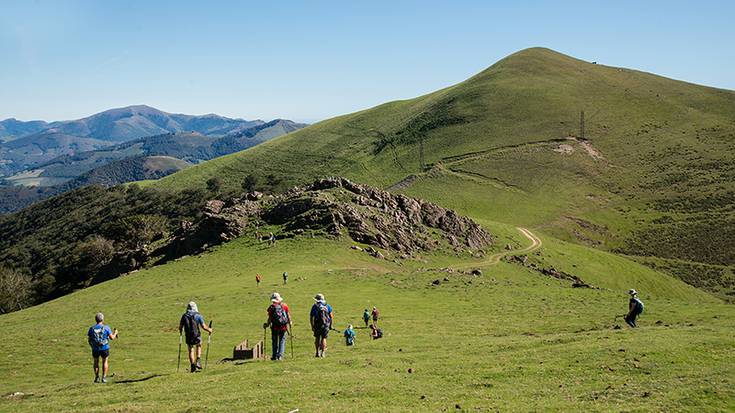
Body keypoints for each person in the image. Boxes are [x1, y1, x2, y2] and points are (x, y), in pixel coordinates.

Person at [179, 301, 213, 372]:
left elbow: (180, 327)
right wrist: (209, 330)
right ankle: (198, 360)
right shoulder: (198, 315)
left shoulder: (184, 316)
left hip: (188, 335)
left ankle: (192, 366)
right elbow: (203, 326)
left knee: (191, 350)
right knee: (199, 345)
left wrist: (181, 332)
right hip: (196, 335)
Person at [87, 312, 118, 383]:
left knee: (96, 362)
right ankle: (104, 378)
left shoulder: (91, 329)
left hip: (95, 349)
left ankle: (97, 377)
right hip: (104, 347)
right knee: (105, 361)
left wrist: (92, 346)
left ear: (96, 320)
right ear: (102, 320)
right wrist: (115, 332)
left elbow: (89, 340)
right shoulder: (106, 327)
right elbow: (112, 338)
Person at [263, 292, 291, 360]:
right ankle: (280, 356)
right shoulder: (285, 306)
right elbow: (288, 315)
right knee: (282, 341)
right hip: (283, 327)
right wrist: (290, 323)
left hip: (274, 327)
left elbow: (270, 318)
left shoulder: (271, 307)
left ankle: (274, 356)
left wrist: (267, 325)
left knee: (274, 341)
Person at [310, 293, 333, 357]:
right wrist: (330, 325)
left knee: (317, 338)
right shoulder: (327, 305)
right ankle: (323, 353)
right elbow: (331, 316)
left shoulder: (314, 306)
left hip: (317, 324)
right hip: (325, 324)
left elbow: (311, 317)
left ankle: (317, 352)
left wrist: (312, 325)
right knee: (324, 338)